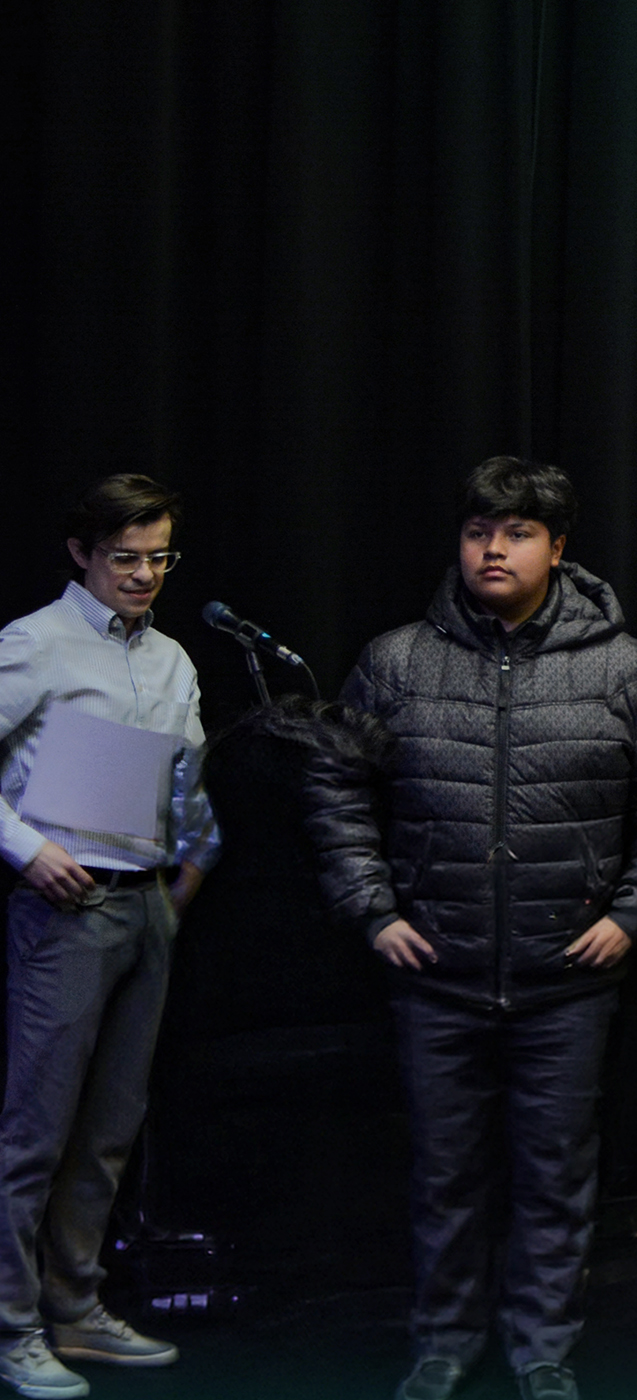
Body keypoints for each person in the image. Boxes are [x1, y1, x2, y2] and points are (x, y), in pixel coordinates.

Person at [308, 458, 637, 1400]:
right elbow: (333, 786)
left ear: (558, 549)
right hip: (436, 975)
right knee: (444, 1173)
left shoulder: (624, 667)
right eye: (480, 530)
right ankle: (444, 1341)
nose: (494, 548)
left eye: (519, 532)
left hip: (566, 984)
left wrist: (632, 914)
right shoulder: (398, 659)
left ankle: (541, 1349)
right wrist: (372, 908)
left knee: (554, 1173)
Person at [0, 477, 218, 1400]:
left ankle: (76, 1308)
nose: (143, 573)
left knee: (110, 1129)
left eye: (158, 556)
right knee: (37, 1131)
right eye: (125, 556)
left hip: (147, 908)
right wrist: (28, 851)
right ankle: (11, 1329)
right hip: (66, 909)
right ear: (83, 555)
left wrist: (188, 877)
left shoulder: (170, 658)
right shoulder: (34, 645)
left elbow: (190, 781)